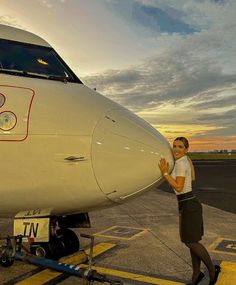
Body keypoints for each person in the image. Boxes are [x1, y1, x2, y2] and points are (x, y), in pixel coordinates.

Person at [158, 137, 221, 285]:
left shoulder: (181, 163)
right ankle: (196, 274)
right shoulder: (182, 161)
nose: (176, 149)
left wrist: (165, 173)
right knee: (191, 241)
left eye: (180, 147)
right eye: (174, 146)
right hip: (186, 203)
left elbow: (179, 187)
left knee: (191, 242)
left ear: (186, 149)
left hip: (189, 204)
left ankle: (212, 270)